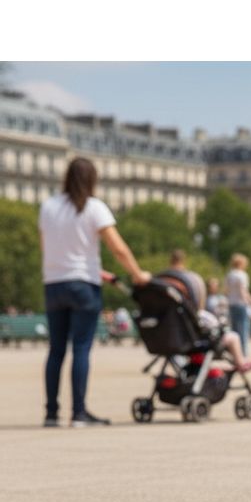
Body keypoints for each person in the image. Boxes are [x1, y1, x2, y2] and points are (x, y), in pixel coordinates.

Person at [39, 157, 151, 427]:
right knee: (80, 348)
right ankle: (79, 412)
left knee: (55, 351)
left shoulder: (48, 207)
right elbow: (118, 248)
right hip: (83, 285)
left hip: (54, 282)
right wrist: (138, 275)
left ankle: (51, 413)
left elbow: (47, 249)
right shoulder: (93, 207)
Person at [225, 254, 251, 356]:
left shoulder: (230, 275)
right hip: (241, 305)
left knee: (234, 331)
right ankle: (243, 355)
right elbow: (243, 292)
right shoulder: (242, 275)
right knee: (243, 331)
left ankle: (234, 354)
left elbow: (226, 291)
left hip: (232, 305)